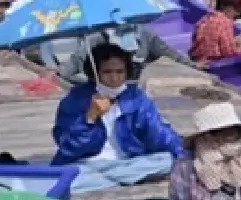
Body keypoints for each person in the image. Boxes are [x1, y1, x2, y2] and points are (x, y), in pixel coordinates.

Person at [50, 42, 184, 191]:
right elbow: (69, 148)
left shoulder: (136, 98)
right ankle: (119, 180)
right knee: (68, 177)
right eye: (107, 72)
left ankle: (108, 180)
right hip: (86, 165)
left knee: (167, 160)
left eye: (119, 72)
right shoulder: (75, 100)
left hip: (126, 163)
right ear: (95, 74)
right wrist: (90, 118)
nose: (114, 78)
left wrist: (184, 154)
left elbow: (159, 133)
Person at [188, 0, 241, 65]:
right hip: (213, 65)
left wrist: (234, 42)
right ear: (229, 8)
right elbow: (230, 53)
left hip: (197, 61)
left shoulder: (204, 19)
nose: (238, 14)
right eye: (237, 10)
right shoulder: (225, 22)